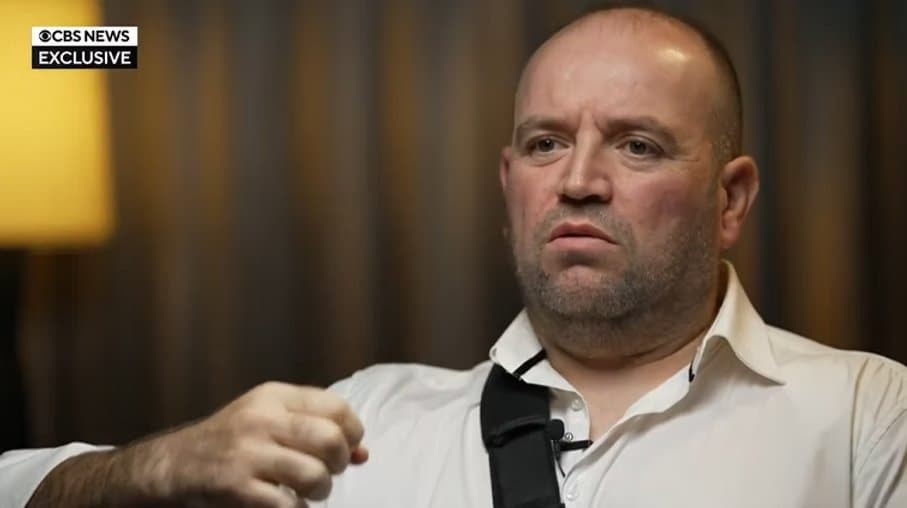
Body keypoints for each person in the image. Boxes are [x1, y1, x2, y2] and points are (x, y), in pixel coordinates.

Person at [3, 5, 906, 507]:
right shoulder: (361, 423)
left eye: (636, 146)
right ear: (509, 184)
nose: (577, 181)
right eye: (546, 144)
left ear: (730, 199)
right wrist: (155, 470)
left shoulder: (869, 418)